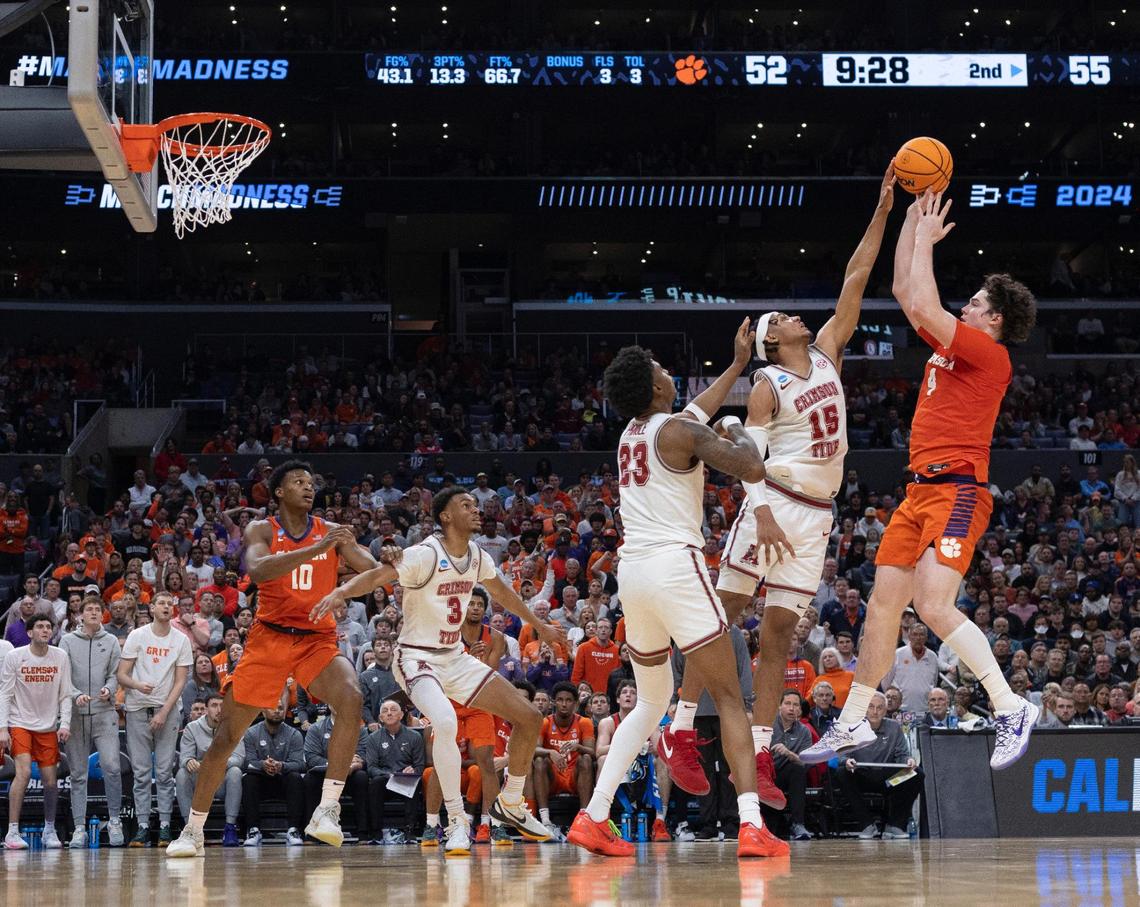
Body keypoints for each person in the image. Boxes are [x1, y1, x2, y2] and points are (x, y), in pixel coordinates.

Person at [663, 171, 895, 814]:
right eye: (787, 316)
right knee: (720, 622)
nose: (800, 315)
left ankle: (761, 750)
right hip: (776, 502)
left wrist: (881, 210)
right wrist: (759, 511)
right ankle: (679, 730)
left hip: (817, 515)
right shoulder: (767, 382)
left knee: (780, 637)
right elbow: (745, 456)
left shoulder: (825, 354)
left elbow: (855, 278)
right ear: (772, 337)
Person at [804, 188, 1039, 771]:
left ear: (995, 320)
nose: (968, 305)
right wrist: (911, 221)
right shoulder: (959, 345)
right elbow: (909, 295)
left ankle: (1010, 705)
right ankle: (854, 719)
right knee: (884, 605)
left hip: (959, 489)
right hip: (917, 492)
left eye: (979, 301)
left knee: (933, 605)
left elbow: (926, 308)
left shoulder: (990, 354)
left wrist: (926, 243)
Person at [567, 324, 788, 860]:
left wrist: (736, 368)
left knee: (648, 701)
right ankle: (753, 824)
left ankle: (594, 816)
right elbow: (749, 465)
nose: (671, 374)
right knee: (731, 696)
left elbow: (691, 415)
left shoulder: (635, 434)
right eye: (664, 370)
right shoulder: (683, 433)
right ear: (657, 387)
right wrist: (738, 425)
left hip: (635, 576)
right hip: (675, 567)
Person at [312, 485, 563, 856]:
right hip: (415, 657)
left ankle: (510, 801)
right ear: (445, 516)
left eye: (477, 505)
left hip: (454, 657)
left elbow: (504, 594)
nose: (476, 510)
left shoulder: (477, 555)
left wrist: (539, 626)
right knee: (445, 722)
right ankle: (457, 822)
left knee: (528, 717)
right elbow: (380, 576)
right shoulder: (425, 554)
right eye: (467, 505)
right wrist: (341, 592)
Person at [168, 460, 376, 858]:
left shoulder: (331, 531)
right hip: (270, 639)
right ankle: (193, 831)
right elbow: (260, 570)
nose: (308, 487)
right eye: (298, 482)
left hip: (316, 636)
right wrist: (315, 549)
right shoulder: (262, 529)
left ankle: (327, 810)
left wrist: (385, 558)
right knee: (226, 738)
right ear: (278, 491)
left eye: (311, 482)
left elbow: (368, 565)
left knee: (351, 697)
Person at [117, 590, 193, 846]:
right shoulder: (138, 636)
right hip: (138, 708)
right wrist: (138, 686)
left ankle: (163, 825)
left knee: (163, 772)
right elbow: (122, 675)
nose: (166, 607)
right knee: (140, 773)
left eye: (170, 604)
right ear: (151, 608)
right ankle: (141, 825)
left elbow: (181, 680)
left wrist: (163, 712)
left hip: (167, 710)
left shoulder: (181, 640)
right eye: (161, 603)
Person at [0, 615, 72, 849]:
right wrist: (3, 728)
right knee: (22, 774)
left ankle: (49, 830)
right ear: (29, 632)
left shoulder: (60, 656)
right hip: (19, 723)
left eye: (48, 627)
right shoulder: (15, 656)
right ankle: (12, 831)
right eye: (39, 627)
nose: (45, 630)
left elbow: (66, 693)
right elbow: (5, 694)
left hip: (48, 725)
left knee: (50, 781)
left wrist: (66, 724)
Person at [60, 595, 124, 848]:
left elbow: (114, 674)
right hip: (76, 715)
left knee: (112, 768)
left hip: (104, 712)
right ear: (80, 615)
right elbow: (64, 676)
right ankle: (79, 828)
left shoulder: (110, 642)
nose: (94, 613)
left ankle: (116, 820)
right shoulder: (66, 641)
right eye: (90, 609)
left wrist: (109, 688)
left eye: (98, 609)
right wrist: (76, 695)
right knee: (78, 774)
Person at [832, 692, 922, 839]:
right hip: (860, 775)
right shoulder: (852, 728)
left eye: (880, 708)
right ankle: (867, 824)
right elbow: (842, 754)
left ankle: (895, 825)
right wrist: (846, 761)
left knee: (917, 773)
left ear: (885, 711)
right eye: (871, 707)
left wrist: (908, 761)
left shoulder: (894, 727)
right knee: (841, 773)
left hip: (888, 780)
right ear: (865, 710)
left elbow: (902, 754)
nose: (875, 711)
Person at [594, 680, 671, 842]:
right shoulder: (607, 722)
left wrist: (650, 747)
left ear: (638, 699)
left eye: (633, 692)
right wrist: (631, 746)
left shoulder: (650, 720)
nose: (628, 695)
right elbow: (599, 751)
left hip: (643, 769)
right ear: (617, 700)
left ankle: (660, 821)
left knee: (663, 762)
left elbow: (658, 749)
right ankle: (601, 819)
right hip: (620, 768)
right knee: (602, 760)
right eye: (624, 692)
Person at [176, 693, 243, 847]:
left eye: (222, 706)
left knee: (235, 772)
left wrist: (213, 764)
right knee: (181, 774)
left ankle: (230, 827)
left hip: (221, 781)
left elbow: (238, 758)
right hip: (200, 781)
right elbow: (184, 757)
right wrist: (189, 761)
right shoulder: (192, 728)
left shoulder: (235, 726)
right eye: (214, 706)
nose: (219, 710)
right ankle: (191, 830)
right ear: (206, 709)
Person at [239, 699, 307, 847]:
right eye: (273, 708)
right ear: (263, 712)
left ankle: (293, 830)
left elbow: (300, 764)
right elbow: (247, 762)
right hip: (261, 781)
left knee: (296, 778)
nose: (277, 711)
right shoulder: (251, 733)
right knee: (248, 779)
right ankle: (253, 830)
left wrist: (281, 766)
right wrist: (262, 765)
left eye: (281, 708)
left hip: (284, 781)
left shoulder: (294, 734)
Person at [364, 699, 425, 844]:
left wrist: (413, 770)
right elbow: (371, 767)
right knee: (375, 783)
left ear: (401, 715)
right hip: (384, 780)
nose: (389, 713)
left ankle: (409, 830)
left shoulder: (415, 737)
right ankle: (376, 833)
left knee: (415, 781)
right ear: (380, 718)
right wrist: (389, 775)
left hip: (406, 780)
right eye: (385, 711)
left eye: (393, 710)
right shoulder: (373, 738)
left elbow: (420, 765)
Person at [770, 690, 814, 841]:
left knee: (798, 769)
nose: (791, 708)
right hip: (765, 774)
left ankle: (798, 824)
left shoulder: (804, 731)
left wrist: (788, 753)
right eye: (787, 704)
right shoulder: (767, 725)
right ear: (779, 706)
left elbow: (807, 762)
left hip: (786, 774)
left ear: (800, 710)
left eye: (796, 705)